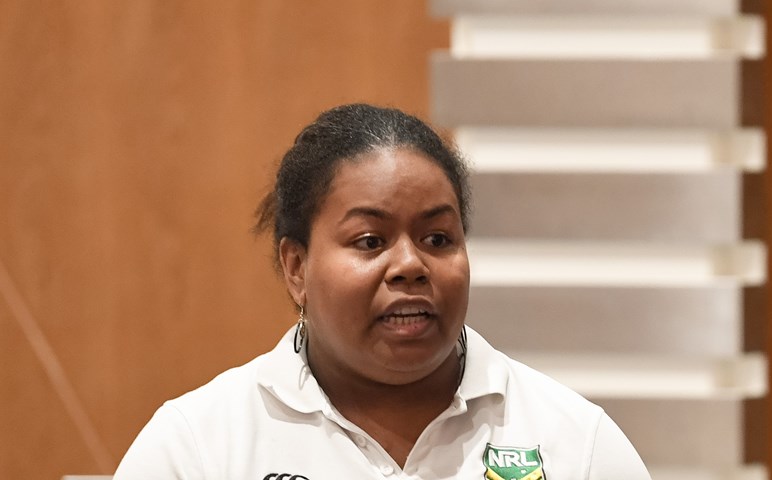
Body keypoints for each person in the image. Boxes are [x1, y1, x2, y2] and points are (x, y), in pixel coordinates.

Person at [114, 104, 651, 479]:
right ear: (296, 267)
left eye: (438, 239)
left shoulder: (576, 444)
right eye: (370, 241)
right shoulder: (198, 446)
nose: (410, 265)